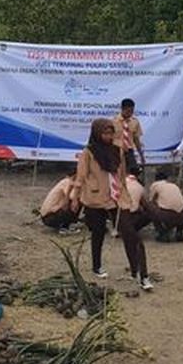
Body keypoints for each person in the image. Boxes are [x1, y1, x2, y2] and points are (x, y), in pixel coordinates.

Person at [69, 118, 127, 280]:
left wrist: (124, 193)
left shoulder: (117, 150)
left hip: (113, 197)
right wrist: (75, 198)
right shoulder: (88, 152)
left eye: (110, 133)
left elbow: (121, 175)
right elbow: (80, 176)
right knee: (98, 233)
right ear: (97, 133)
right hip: (94, 198)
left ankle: (137, 268)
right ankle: (97, 266)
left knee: (127, 229)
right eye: (105, 133)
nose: (108, 137)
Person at [120, 172, 154, 290]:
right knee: (137, 244)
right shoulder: (138, 186)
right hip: (128, 214)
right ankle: (143, 277)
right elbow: (146, 206)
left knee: (129, 243)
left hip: (121, 216)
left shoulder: (118, 182)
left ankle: (135, 271)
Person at [147, 170, 183, 242]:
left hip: (168, 215)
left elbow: (151, 201)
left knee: (150, 208)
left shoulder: (155, 185)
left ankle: (162, 233)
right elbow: (182, 199)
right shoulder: (174, 185)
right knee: (178, 207)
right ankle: (179, 231)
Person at [112, 98, 144, 175]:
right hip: (116, 149)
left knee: (134, 171)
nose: (130, 113)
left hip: (129, 150)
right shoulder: (113, 121)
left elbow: (136, 139)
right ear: (122, 109)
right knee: (117, 171)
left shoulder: (135, 122)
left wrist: (141, 154)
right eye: (128, 111)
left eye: (132, 111)